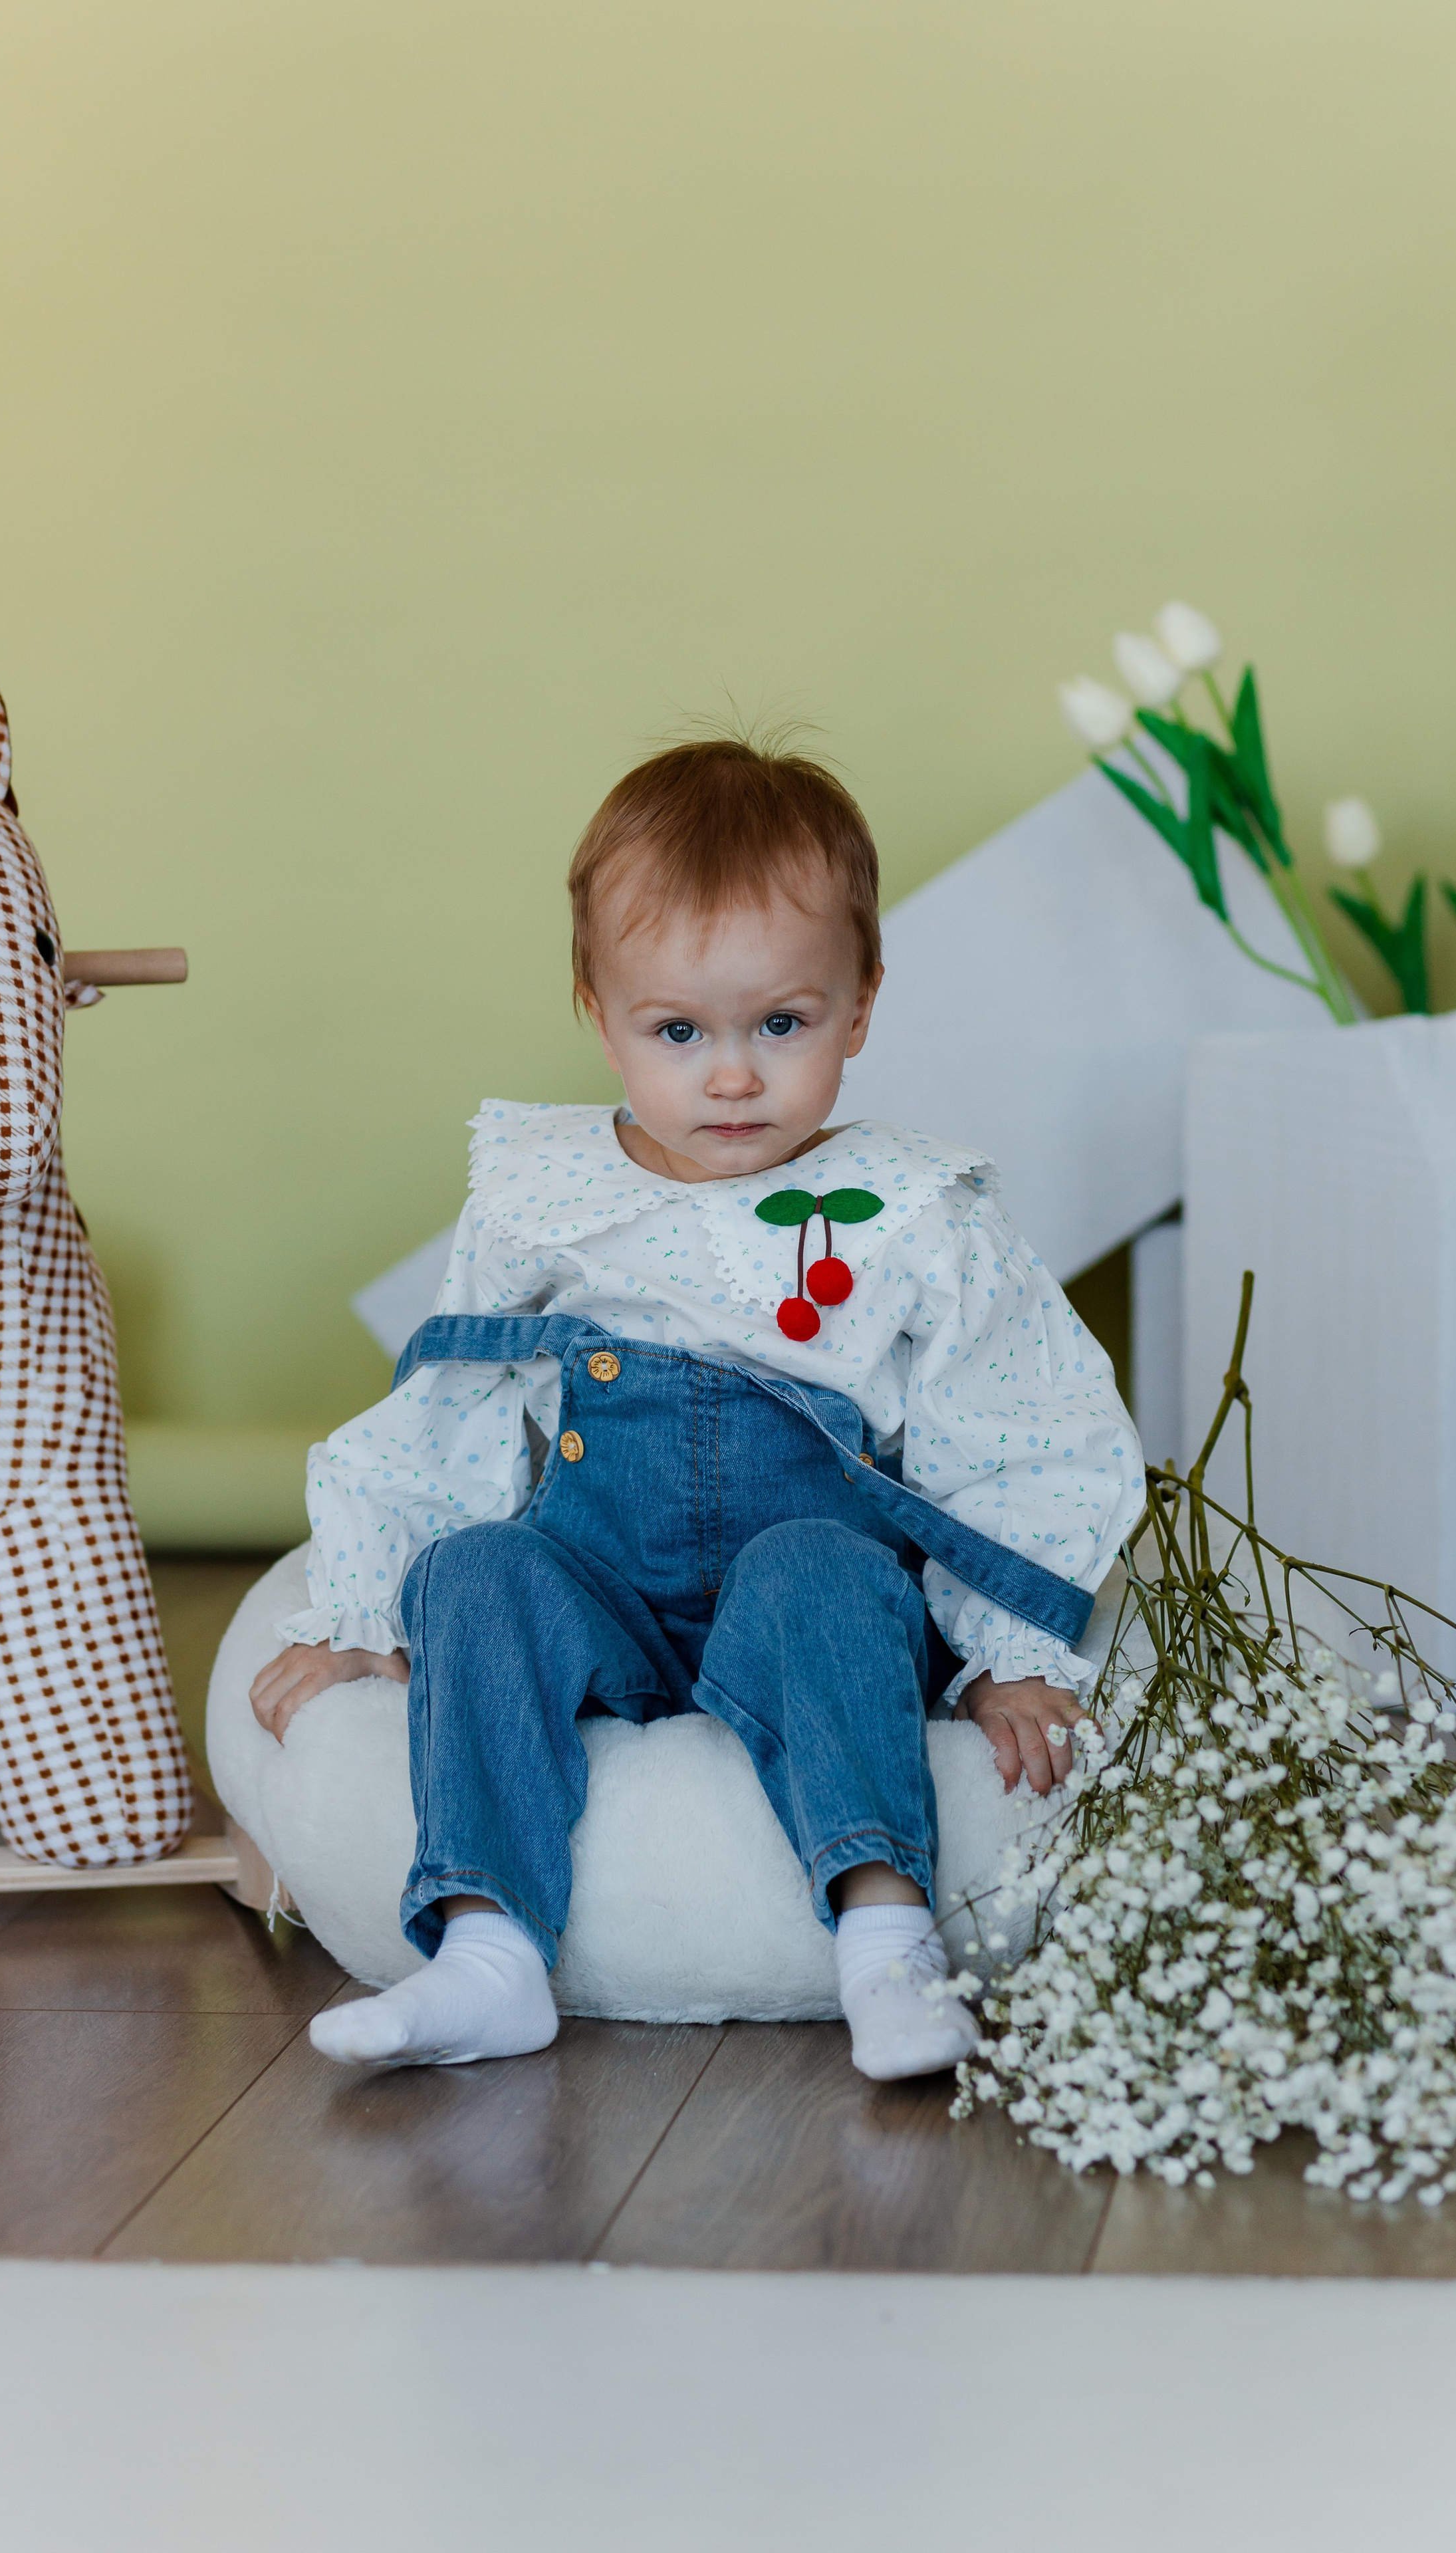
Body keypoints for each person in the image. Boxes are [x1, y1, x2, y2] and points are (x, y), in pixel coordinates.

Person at [250, 737, 1144, 2079]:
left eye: (779, 1024)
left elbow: (1019, 1430)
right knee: (481, 1571)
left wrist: (1009, 1652)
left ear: (859, 1004)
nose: (730, 1077)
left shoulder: (913, 1214)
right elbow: (452, 1409)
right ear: (597, 1012)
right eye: (677, 1033)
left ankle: (884, 1945)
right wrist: (367, 1615)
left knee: (825, 1572)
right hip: (596, 1581)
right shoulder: (543, 1196)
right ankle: (489, 1951)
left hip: (796, 1602)